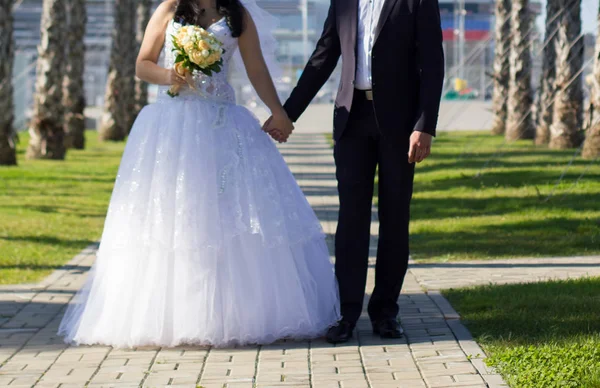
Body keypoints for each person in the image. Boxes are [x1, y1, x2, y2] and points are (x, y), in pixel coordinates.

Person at [58, 0, 340, 348]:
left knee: (225, 216)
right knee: (177, 218)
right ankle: (175, 315)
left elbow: (256, 69)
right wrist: (169, 75)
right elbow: (142, 64)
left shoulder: (237, 14)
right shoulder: (169, 9)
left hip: (222, 123)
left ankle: (235, 313)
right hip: (173, 125)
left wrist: (278, 112)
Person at [264, 0, 444, 343]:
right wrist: (288, 113)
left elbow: (433, 62)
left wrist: (425, 125)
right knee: (351, 220)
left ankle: (385, 313)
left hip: (401, 124)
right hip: (351, 119)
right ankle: (345, 314)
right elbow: (323, 56)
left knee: (394, 217)